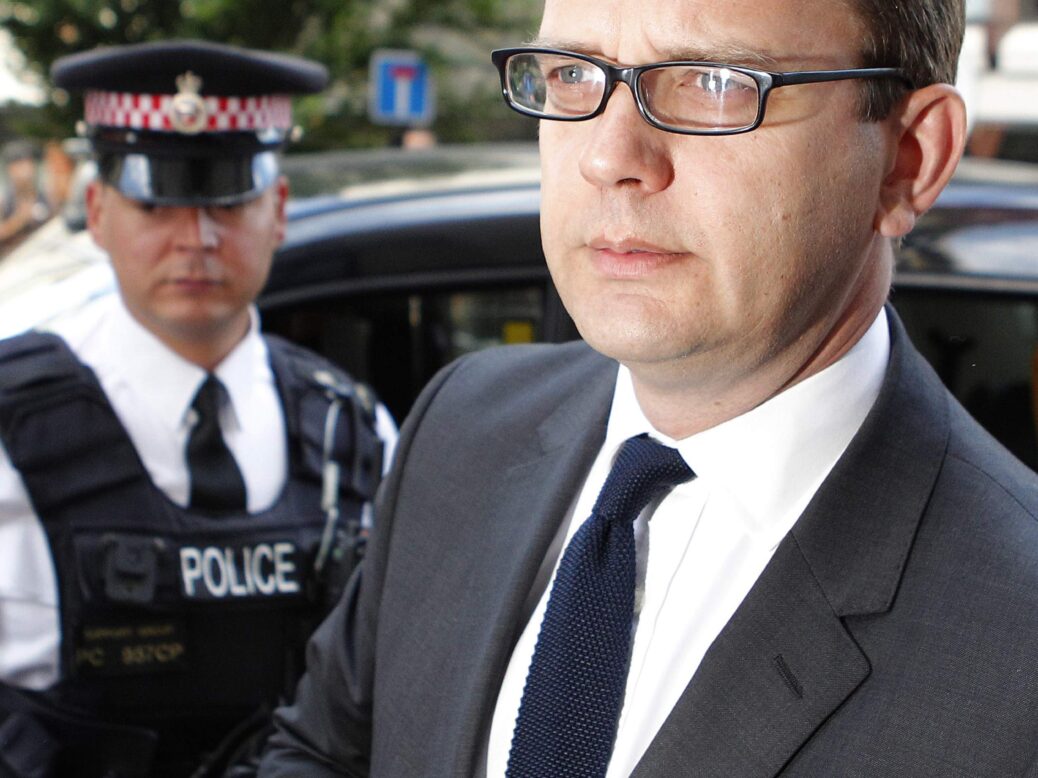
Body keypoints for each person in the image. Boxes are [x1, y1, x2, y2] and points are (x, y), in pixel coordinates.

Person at [261, 0, 1038, 775]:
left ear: (909, 159)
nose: (608, 156)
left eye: (713, 82)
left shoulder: (1015, 638)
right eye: (572, 74)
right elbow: (322, 754)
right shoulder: (462, 428)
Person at [0, 40, 394, 778]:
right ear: (98, 212)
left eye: (228, 201)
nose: (196, 238)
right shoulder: (10, 430)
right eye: (157, 204)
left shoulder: (354, 428)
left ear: (277, 211)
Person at [0, 139, 50, 255]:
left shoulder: (42, 192)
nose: (26, 169)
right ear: (10, 169)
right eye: (20, 164)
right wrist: (20, 219)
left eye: (28, 163)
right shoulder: (4, 199)